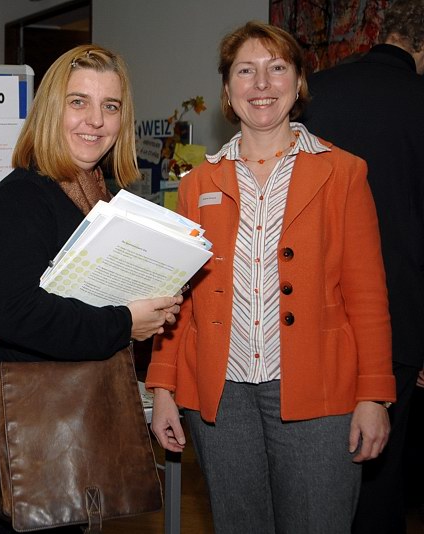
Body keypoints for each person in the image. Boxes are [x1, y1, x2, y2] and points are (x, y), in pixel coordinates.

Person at [147, 21, 396, 534]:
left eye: (276, 68)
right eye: (246, 71)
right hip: (222, 398)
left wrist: (374, 395)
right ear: (228, 89)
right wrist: (163, 386)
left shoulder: (343, 173)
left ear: (298, 82)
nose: (261, 84)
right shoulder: (198, 183)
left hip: (319, 391)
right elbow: (178, 296)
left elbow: (368, 296)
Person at [0, 43, 182, 534]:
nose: (96, 120)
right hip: (33, 426)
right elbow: (16, 315)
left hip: (84, 415)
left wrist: (155, 303)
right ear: (51, 110)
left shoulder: (106, 201)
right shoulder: (19, 198)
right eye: (78, 102)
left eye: (111, 106)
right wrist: (125, 322)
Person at [299, 2, 424, 531]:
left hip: (306, 311)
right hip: (398, 318)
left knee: (306, 470)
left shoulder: (313, 92)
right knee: (380, 474)